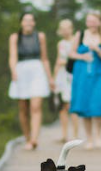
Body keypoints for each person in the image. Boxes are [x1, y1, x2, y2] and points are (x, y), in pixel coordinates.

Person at [8, 12, 54, 150]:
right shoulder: (15, 37)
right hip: (21, 70)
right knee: (23, 108)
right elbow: (12, 56)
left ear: (34, 23)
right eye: (25, 20)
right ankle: (27, 137)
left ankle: (34, 138)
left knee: (36, 106)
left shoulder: (40, 36)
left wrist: (50, 77)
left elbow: (45, 58)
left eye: (31, 20)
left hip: (37, 70)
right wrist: (13, 70)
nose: (28, 23)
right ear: (21, 22)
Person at [69, 11, 101, 149]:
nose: (91, 24)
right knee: (85, 105)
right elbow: (71, 53)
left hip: (100, 74)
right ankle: (89, 138)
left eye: (94, 21)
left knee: (98, 103)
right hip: (82, 75)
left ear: (99, 22)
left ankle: (98, 135)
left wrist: (98, 50)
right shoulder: (80, 34)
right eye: (89, 21)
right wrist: (82, 57)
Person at [52, 19, 79, 142]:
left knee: (72, 105)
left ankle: (75, 134)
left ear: (71, 28)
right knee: (62, 106)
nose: (65, 31)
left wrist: (66, 61)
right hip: (61, 76)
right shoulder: (60, 43)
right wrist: (53, 78)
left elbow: (77, 59)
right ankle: (64, 135)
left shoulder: (76, 41)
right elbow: (58, 61)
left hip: (72, 75)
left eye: (67, 28)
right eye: (62, 28)